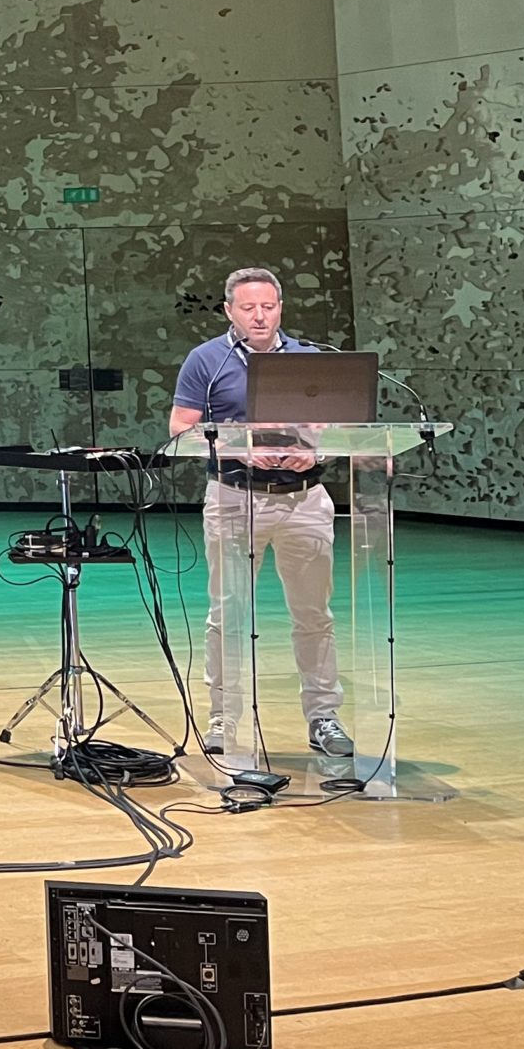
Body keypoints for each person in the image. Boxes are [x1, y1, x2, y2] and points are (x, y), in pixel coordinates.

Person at [168, 267, 353, 761]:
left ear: (280, 309)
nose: (259, 316)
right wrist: (240, 449)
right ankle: (223, 717)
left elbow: (336, 425)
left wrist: (316, 452)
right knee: (227, 614)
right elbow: (181, 429)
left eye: (268, 307)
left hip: (304, 500)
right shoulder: (207, 360)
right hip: (235, 497)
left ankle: (324, 716)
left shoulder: (309, 359)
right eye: (248, 308)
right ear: (229, 310)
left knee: (314, 614)